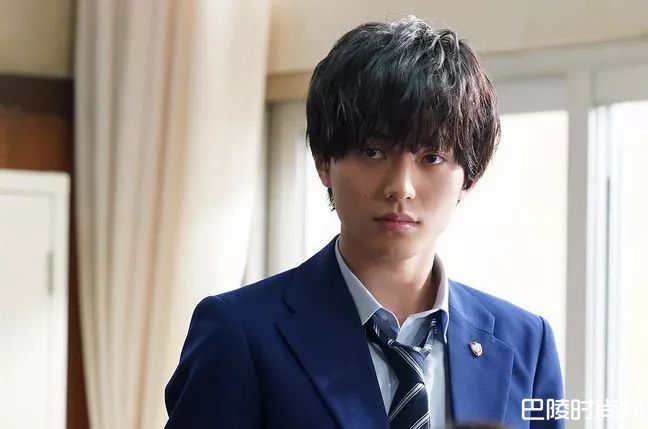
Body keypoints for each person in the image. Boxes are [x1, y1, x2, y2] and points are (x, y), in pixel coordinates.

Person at [165, 16, 564, 429]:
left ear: (470, 176)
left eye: (432, 158)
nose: (401, 188)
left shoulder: (525, 343)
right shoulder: (240, 332)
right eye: (374, 152)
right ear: (324, 163)